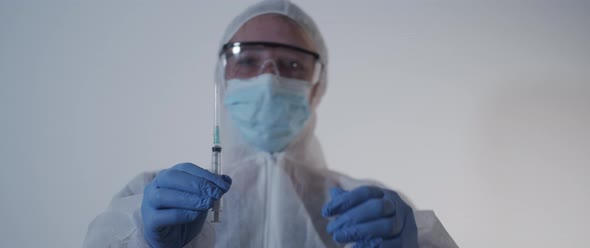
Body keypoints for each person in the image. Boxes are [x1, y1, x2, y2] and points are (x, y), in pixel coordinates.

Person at [83, 1, 458, 247]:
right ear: (222, 78)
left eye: (292, 64)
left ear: (317, 85)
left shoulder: (372, 211)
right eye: (247, 60)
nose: (269, 76)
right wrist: (144, 242)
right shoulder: (152, 199)